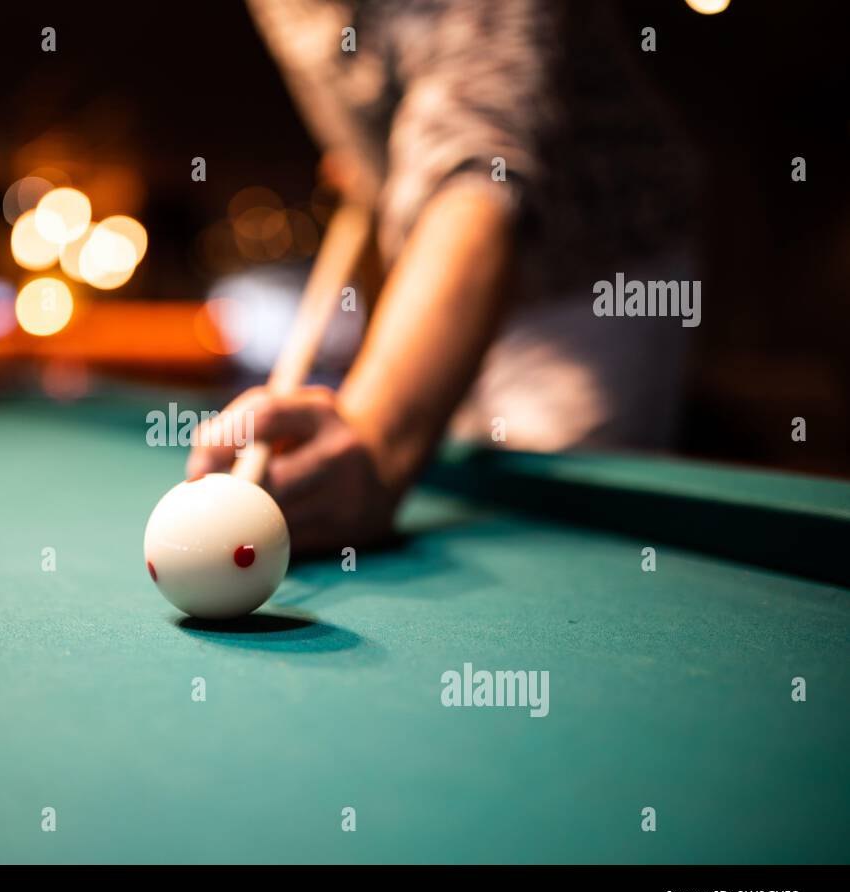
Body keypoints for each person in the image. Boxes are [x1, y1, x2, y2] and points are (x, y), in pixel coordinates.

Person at [188, 0, 700, 553]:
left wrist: (375, 438)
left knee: (545, 537)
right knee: (457, 480)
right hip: (431, 271)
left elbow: (479, 169)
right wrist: (366, 161)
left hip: (591, 276)